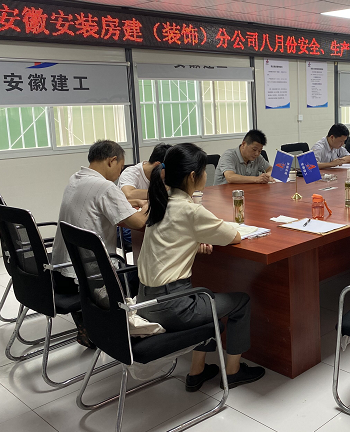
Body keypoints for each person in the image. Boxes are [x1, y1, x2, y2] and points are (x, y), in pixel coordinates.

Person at [139, 143, 265, 391]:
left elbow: (169, 239)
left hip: (145, 301)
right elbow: (233, 236)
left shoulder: (160, 203)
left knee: (204, 295)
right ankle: (233, 372)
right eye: (204, 171)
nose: (207, 174)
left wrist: (193, 240)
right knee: (240, 302)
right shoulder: (190, 210)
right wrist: (198, 235)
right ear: (192, 176)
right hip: (173, 307)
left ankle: (197, 371)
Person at [50, 140, 149, 346]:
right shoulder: (105, 186)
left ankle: (88, 319)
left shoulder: (77, 178)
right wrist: (148, 205)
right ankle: (132, 324)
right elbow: (138, 222)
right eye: (120, 167)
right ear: (112, 161)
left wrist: (130, 203)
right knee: (143, 274)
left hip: (64, 270)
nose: (120, 173)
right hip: (91, 277)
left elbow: (98, 202)